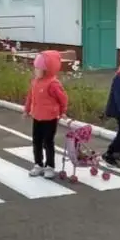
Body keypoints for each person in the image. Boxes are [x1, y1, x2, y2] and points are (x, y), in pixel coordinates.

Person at [23, 50, 68, 179]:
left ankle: (50, 166)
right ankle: (38, 164)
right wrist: (27, 110)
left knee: (48, 142)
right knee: (36, 141)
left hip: (50, 118)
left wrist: (63, 111)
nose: (35, 71)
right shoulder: (35, 82)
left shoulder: (53, 84)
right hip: (37, 116)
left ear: (48, 70)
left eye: (39, 68)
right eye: (35, 68)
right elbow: (30, 97)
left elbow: (63, 98)